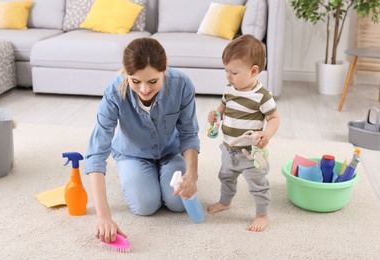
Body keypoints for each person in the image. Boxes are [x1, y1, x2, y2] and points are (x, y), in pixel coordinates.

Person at [85, 38, 200, 243]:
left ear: (164, 71)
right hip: (132, 154)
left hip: (169, 151)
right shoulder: (113, 93)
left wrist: (191, 174)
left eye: (153, 81)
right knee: (145, 206)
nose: (145, 89)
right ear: (126, 73)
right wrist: (103, 217)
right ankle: (139, 175)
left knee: (178, 204)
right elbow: (97, 152)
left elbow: (188, 133)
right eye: (135, 81)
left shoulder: (182, 84)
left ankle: (163, 176)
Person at [207, 34, 280, 232]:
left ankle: (262, 215)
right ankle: (225, 201)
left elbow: (274, 118)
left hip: (250, 153)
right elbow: (223, 106)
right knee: (225, 178)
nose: (228, 76)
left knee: (258, 184)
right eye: (226, 71)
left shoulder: (262, 96)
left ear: (254, 70)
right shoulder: (230, 89)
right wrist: (215, 115)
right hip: (229, 149)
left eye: (233, 72)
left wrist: (267, 134)